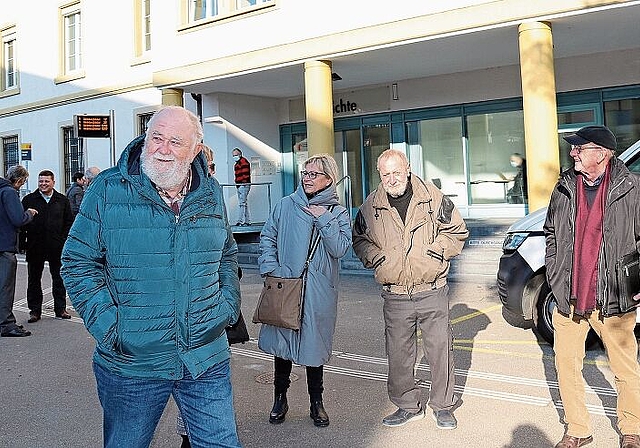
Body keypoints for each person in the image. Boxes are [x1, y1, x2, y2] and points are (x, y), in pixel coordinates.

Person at [60, 106, 242, 448]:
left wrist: (226, 307)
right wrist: (113, 328)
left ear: (195, 151)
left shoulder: (211, 192)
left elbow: (227, 254)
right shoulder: (108, 189)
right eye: (156, 137)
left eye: (175, 141)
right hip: (133, 363)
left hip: (204, 357)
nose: (162, 148)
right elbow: (77, 262)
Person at [352, 149, 468, 430]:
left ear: (408, 169)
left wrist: (436, 253)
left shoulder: (432, 198)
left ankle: (443, 406)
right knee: (399, 354)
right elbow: (359, 240)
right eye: (385, 174)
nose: (392, 179)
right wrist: (378, 258)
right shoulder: (371, 206)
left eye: (396, 172)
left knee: (440, 351)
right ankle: (407, 405)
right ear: (380, 175)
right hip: (395, 293)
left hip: (432, 289)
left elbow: (457, 231)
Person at [544, 125, 640, 448]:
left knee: (625, 368)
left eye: (579, 148)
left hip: (612, 297)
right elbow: (551, 234)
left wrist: (634, 285)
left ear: (600, 154)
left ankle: (632, 429)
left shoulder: (631, 188)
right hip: (569, 297)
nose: (573, 153)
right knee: (566, 366)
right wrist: (557, 279)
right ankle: (578, 428)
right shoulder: (564, 187)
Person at [257, 153, 351, 427]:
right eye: (305, 173)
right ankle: (279, 398)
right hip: (286, 284)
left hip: (319, 291)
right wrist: (272, 269)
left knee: (314, 347)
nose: (307, 178)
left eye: (314, 174)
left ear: (329, 179)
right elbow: (268, 237)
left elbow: (340, 248)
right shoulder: (286, 205)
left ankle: (316, 402)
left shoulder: (337, 212)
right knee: (282, 346)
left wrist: (324, 219)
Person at [20, 170, 74, 322]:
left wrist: (63, 239)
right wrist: (23, 243)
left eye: (46, 181)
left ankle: (60, 309)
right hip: (35, 245)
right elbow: (21, 222)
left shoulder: (62, 200)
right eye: (41, 181)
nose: (43, 184)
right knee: (34, 279)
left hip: (56, 246)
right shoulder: (29, 199)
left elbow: (69, 222)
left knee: (58, 278)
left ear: (53, 182)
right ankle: (35, 311)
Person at [0, 165, 37, 337]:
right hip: (5, 245)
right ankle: (7, 324)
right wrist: (29, 213)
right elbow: (18, 219)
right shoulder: (9, 192)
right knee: (5, 287)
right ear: (20, 180)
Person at [232, 147, 251, 226]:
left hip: (243, 185)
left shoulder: (243, 162)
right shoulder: (237, 163)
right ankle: (248, 221)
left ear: (240, 154)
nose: (234, 157)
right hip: (239, 185)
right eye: (233, 155)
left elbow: (245, 175)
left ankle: (240, 221)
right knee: (244, 203)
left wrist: (242, 184)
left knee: (242, 203)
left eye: (235, 155)